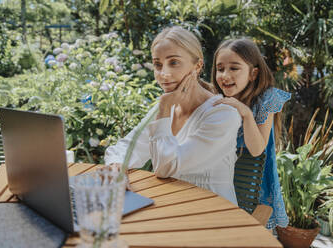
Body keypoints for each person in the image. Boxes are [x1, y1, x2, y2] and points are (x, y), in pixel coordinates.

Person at [104, 26, 242, 204]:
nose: (163, 74)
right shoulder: (166, 107)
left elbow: (165, 168)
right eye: (158, 64)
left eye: (174, 62)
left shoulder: (223, 115)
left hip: (213, 216)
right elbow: (127, 147)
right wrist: (116, 166)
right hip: (170, 207)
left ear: (197, 66)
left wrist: (163, 110)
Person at [211, 38, 290, 229]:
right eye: (220, 69)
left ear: (253, 73)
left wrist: (246, 113)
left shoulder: (266, 99)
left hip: (254, 190)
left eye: (234, 68)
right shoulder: (218, 101)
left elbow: (257, 149)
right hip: (221, 186)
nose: (225, 75)